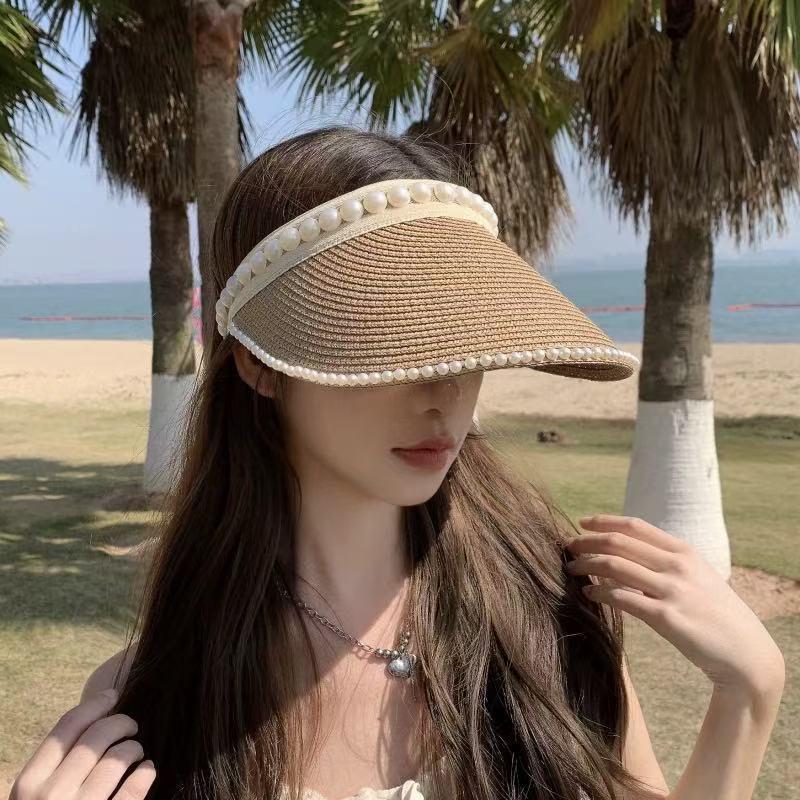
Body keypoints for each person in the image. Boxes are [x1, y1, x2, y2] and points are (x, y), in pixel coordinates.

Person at [10, 126, 785, 800]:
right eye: (389, 343)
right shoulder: (159, 694)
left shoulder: (547, 620)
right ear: (259, 365)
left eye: (464, 344)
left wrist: (748, 695)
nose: (444, 392)